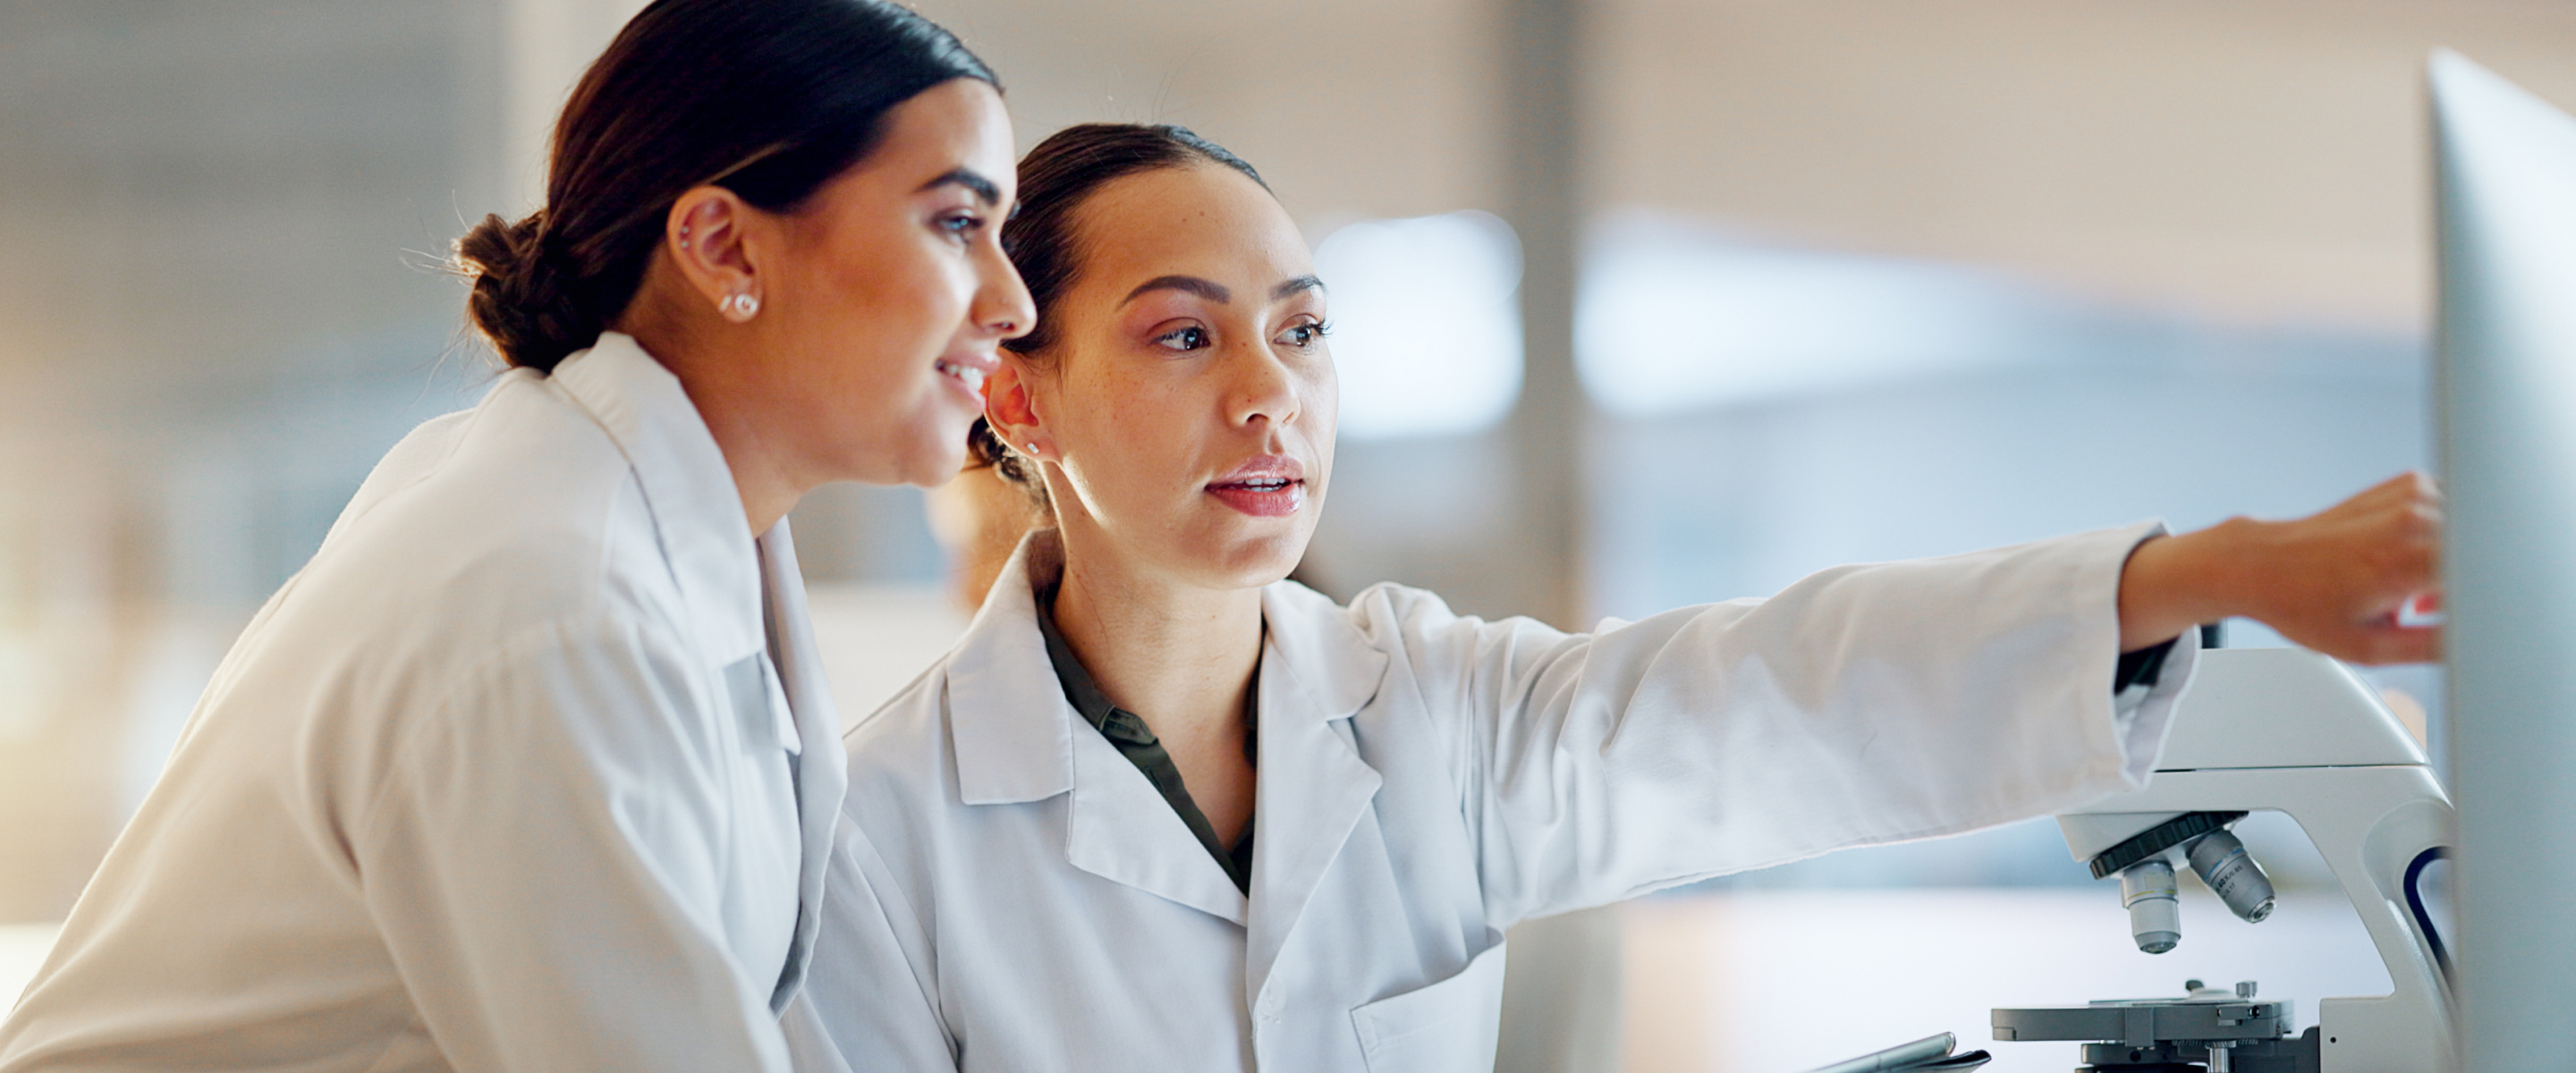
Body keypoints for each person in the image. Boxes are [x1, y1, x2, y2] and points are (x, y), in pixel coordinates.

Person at [798, 123, 2441, 1073]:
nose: (1269, 396)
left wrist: (2219, 572)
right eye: (1182, 334)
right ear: (1017, 396)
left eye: (1301, 330)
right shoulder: (877, 838)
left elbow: (1781, 693)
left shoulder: (1437, 712)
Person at [0, 2, 1030, 1070]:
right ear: (725, 246)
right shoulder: (557, 603)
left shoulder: (615, 518)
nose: (1012, 303)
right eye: (958, 224)